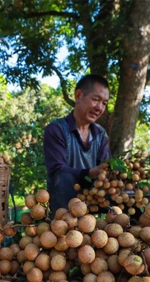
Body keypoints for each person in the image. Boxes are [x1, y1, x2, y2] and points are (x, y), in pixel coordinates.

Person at [43, 74, 112, 213]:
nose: (99, 108)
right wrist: (88, 172)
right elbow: (57, 169)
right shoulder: (57, 129)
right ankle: (67, 227)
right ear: (79, 95)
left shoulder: (101, 134)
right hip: (65, 203)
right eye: (96, 100)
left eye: (104, 103)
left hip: (93, 199)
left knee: (122, 186)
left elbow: (106, 168)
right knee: (64, 177)